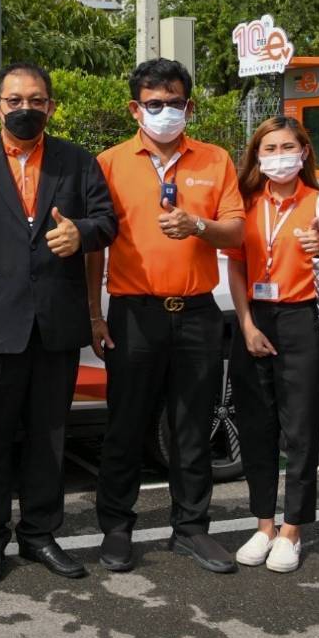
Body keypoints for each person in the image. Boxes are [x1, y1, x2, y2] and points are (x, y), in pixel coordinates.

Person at [0, 61, 116, 585]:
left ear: (50, 106)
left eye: (37, 99)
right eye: (15, 99)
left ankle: (40, 533)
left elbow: (107, 221)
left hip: (56, 324)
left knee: (50, 437)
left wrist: (83, 235)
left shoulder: (76, 161)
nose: (26, 108)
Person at [89, 58, 245, 574]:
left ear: (189, 106)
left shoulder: (215, 160)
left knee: (191, 427)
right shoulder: (109, 163)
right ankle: (115, 528)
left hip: (198, 313)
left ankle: (192, 529)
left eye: (174, 103)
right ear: (135, 108)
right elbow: (94, 247)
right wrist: (95, 313)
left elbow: (235, 232)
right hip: (134, 312)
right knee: (126, 426)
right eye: (153, 104)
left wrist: (198, 225)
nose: (164, 112)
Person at [225, 117, 319, 574]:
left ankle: (293, 530)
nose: (278, 156)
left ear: (304, 153)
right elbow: (237, 269)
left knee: (300, 430)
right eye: (269, 148)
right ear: (257, 157)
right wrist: (244, 324)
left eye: (287, 147)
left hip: (304, 320)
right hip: (255, 321)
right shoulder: (245, 204)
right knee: (257, 427)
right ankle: (264, 524)